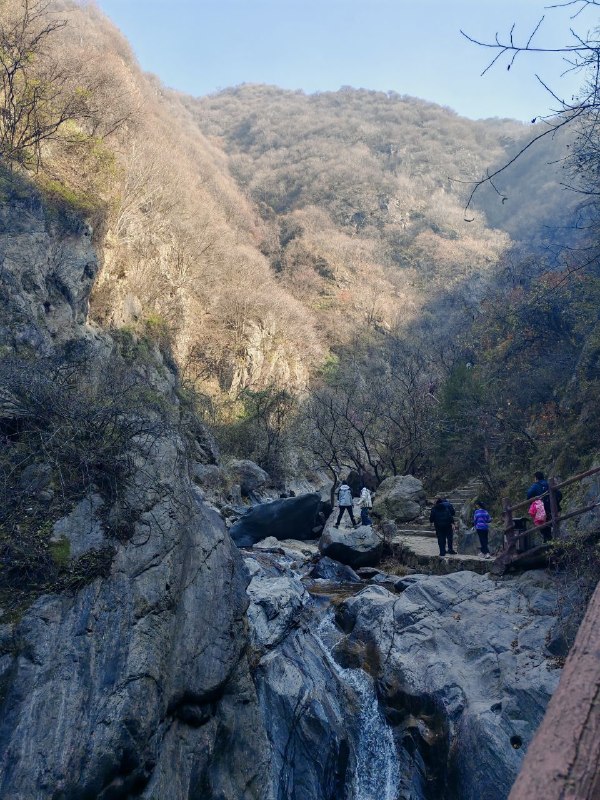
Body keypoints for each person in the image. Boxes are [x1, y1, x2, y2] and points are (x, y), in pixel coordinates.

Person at [527, 471, 562, 542]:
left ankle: (548, 542)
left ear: (536, 478)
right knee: (554, 524)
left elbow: (529, 494)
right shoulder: (549, 483)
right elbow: (559, 494)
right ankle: (556, 541)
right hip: (553, 509)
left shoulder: (535, 486)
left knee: (544, 527)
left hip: (542, 510)